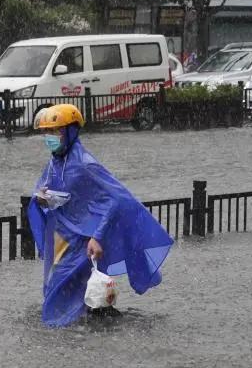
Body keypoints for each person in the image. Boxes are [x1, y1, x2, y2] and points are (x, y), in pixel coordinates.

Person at [28, 104, 173, 327]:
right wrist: (40, 198)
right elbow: (46, 190)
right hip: (62, 238)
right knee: (61, 289)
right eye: (46, 132)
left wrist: (97, 236)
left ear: (70, 131)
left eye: (55, 132)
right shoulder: (54, 163)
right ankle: (88, 327)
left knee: (63, 292)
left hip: (84, 240)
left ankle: (68, 335)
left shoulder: (85, 164)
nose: (50, 137)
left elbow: (116, 198)